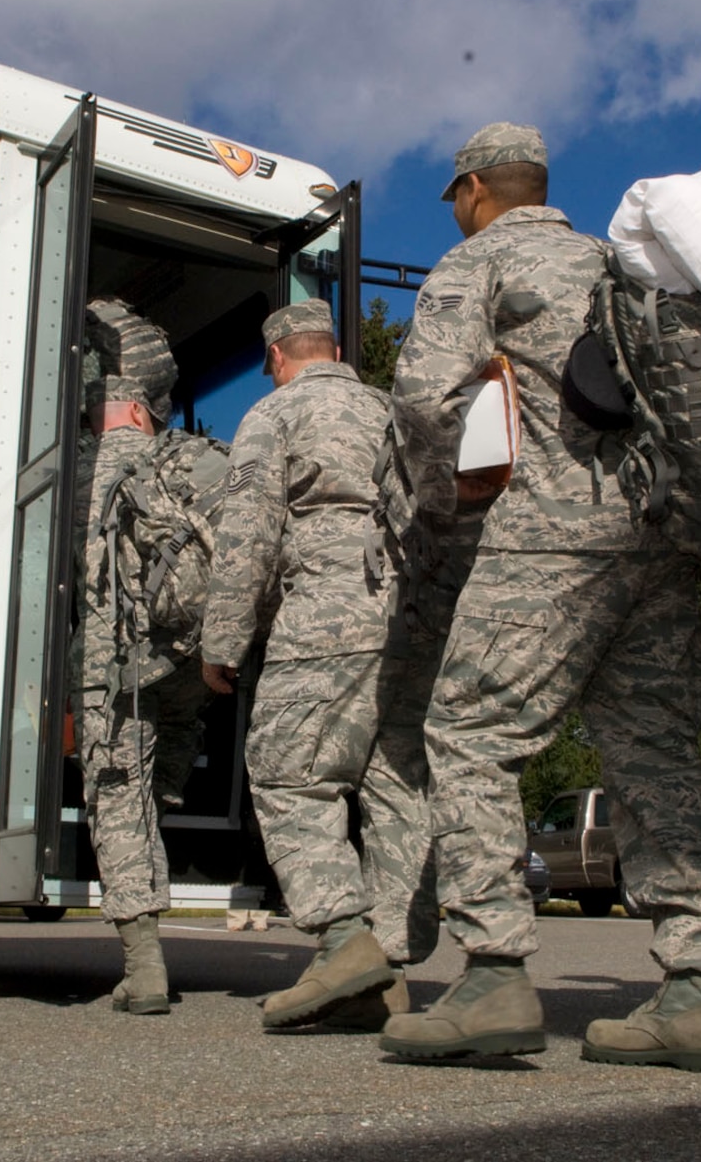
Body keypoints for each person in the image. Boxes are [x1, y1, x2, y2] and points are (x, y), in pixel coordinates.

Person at [382, 123, 701, 1070]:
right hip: (660, 534)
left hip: (554, 528)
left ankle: (494, 972)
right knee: (654, 748)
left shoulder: (483, 258)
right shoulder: (622, 261)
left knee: (467, 729)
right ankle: (696, 985)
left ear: (471, 190)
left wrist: (437, 500)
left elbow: (423, 396)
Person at [199, 299, 436, 1031]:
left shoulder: (275, 416)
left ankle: (342, 939)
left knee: (287, 771)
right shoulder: (393, 410)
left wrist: (223, 642)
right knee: (397, 786)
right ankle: (388, 966)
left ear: (276, 357)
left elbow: (247, 537)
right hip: (415, 621)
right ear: (333, 347)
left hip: (328, 617)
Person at [71, 299, 209, 1015]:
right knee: (155, 775)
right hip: (184, 657)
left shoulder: (76, 466)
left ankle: (145, 966)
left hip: (110, 666)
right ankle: (177, 780)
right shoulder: (184, 456)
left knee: (117, 796)